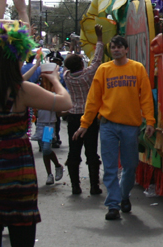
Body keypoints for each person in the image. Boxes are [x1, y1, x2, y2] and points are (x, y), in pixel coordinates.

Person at [0, 19, 72, 247]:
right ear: (15, 58)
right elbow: (65, 102)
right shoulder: (22, 90)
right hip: (16, 178)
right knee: (22, 239)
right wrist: (56, 81)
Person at [73, 35, 154, 221]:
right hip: (108, 125)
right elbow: (93, 100)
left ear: (126, 49)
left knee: (130, 165)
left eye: (119, 47)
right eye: (113, 47)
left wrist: (150, 121)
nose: (116, 50)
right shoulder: (103, 70)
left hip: (130, 126)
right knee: (109, 167)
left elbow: (146, 97)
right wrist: (85, 124)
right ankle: (113, 205)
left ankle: (124, 196)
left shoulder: (137, 69)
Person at [62, 25, 104, 196]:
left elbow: (69, 65)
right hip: (89, 117)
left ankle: (75, 186)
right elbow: (97, 59)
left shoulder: (67, 77)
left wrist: (72, 48)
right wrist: (99, 38)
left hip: (73, 117)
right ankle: (94, 186)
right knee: (91, 151)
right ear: (81, 64)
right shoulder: (88, 75)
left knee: (74, 151)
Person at [34, 72, 64, 186]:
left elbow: (59, 112)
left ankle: (57, 166)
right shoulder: (37, 92)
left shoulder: (54, 94)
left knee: (46, 149)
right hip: (40, 124)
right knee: (44, 151)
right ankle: (49, 174)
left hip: (49, 126)